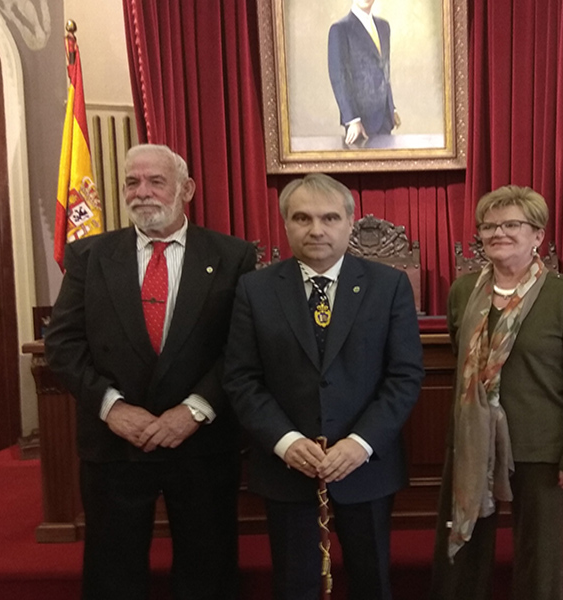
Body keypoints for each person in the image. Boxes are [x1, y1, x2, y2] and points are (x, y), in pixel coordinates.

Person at [44, 144, 256, 600]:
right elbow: (62, 344)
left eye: (155, 182)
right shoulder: (89, 256)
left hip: (200, 443)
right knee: (113, 570)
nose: (142, 193)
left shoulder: (233, 256)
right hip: (115, 444)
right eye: (131, 182)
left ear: (187, 189)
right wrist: (111, 408)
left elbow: (243, 348)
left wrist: (196, 410)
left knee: (208, 568)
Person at [223, 173, 424, 600]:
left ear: (350, 223)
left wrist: (361, 443)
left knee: (372, 583)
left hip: (366, 466)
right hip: (287, 466)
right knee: (295, 585)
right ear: (286, 224)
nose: (317, 229)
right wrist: (285, 441)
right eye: (303, 218)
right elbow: (241, 378)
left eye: (329, 217)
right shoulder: (254, 289)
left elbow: (404, 375)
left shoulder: (387, 286)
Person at [431, 185, 563, 600]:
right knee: (463, 553)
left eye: (511, 224)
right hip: (472, 442)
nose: (497, 233)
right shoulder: (463, 292)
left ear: (537, 235)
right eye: (488, 226)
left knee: (539, 558)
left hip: (541, 446)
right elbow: (463, 356)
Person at [328, 0, 400, 145]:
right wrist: (352, 119)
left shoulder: (383, 27)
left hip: (385, 118)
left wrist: (391, 107)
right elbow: (338, 77)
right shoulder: (340, 30)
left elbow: (384, 70)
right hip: (360, 122)